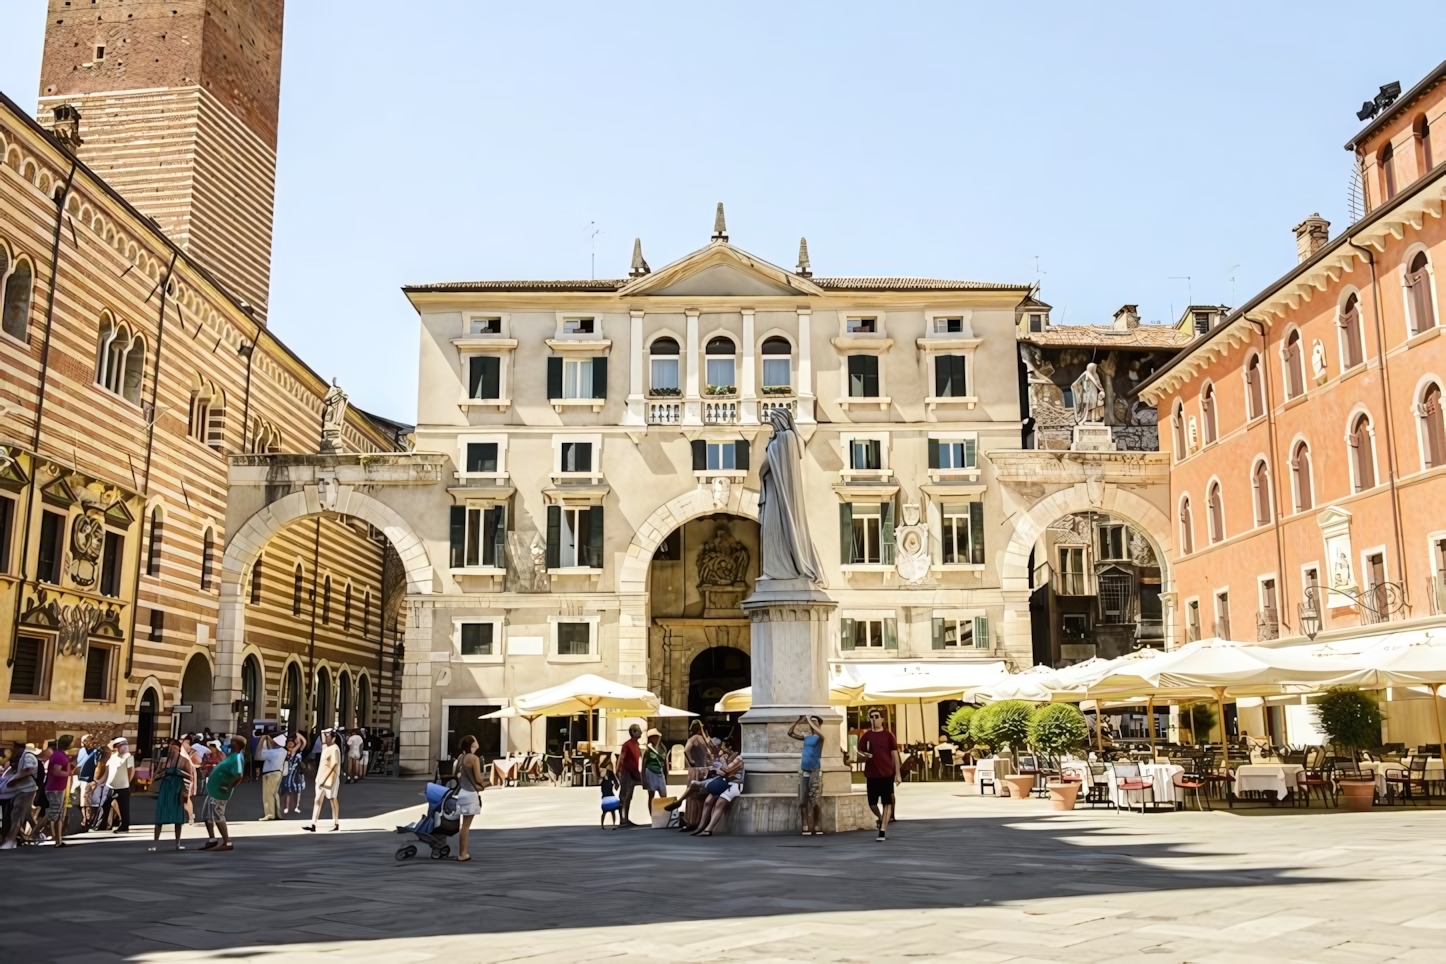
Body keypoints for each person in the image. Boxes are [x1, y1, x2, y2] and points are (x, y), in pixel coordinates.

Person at [856, 708, 901, 842]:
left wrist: (897, 773)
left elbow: (895, 755)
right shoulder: (866, 736)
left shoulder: (888, 736)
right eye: (871, 717)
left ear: (882, 719)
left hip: (886, 773)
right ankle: (881, 818)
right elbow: (859, 754)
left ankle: (882, 830)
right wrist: (863, 756)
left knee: (887, 802)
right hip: (872, 773)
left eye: (876, 716)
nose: (874, 719)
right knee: (872, 803)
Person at [199, 736, 247, 851]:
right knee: (206, 815)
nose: (229, 745)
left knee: (218, 815)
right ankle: (212, 839)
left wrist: (228, 785)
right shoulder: (233, 756)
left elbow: (239, 774)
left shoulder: (237, 757)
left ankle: (227, 842)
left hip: (220, 791)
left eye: (232, 743)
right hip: (213, 789)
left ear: (236, 744)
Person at [149, 738, 194, 852]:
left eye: (174, 747)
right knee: (160, 815)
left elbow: (189, 777)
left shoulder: (184, 760)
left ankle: (178, 843)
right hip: (165, 788)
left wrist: (185, 792)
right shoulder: (165, 760)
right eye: (170, 747)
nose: (172, 749)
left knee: (178, 817)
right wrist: (161, 771)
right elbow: (156, 775)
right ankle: (155, 843)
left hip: (177, 788)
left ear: (179, 748)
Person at [691, 743, 745, 837]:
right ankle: (701, 827)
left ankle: (708, 829)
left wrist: (718, 767)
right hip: (725, 782)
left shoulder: (740, 758)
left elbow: (727, 770)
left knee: (720, 803)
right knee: (708, 801)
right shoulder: (728, 757)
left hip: (734, 784)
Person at [788, 715, 825, 836]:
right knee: (803, 799)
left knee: (814, 799)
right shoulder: (807, 737)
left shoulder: (820, 737)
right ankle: (805, 825)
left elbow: (821, 734)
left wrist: (809, 719)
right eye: (811, 723)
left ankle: (817, 825)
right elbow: (790, 733)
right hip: (804, 769)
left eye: (815, 723)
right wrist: (798, 721)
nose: (812, 725)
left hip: (815, 769)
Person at [0, 739, 39, 850]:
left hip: (26, 789)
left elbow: (30, 770)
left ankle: (10, 841)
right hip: (19, 789)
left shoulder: (27, 756)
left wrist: (15, 779)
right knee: (23, 815)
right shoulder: (19, 756)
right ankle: (38, 835)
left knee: (16, 815)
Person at [454, 735, 485, 861]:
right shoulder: (474, 758)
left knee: (463, 826)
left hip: (461, 792)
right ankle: (463, 854)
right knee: (466, 826)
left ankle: (462, 852)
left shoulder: (461, 758)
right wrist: (485, 783)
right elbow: (478, 778)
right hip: (470, 794)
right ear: (472, 745)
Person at [303, 729, 341, 832]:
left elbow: (334, 764)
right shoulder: (326, 747)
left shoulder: (334, 748)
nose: (326, 738)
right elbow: (323, 738)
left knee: (332, 799)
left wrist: (325, 778)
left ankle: (336, 822)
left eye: (328, 736)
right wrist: (325, 731)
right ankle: (313, 823)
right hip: (321, 777)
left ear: (333, 738)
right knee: (317, 800)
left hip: (330, 777)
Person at [43, 737, 73, 847]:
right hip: (55, 788)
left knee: (57, 814)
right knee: (55, 814)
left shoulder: (57, 754)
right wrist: (69, 773)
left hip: (56, 787)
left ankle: (58, 839)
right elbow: (56, 771)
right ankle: (56, 840)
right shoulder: (60, 756)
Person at [103, 737, 135, 833]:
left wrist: (127, 782)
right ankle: (105, 824)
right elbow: (108, 770)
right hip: (111, 785)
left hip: (123, 786)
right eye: (119, 746)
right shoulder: (113, 756)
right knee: (106, 804)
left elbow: (131, 771)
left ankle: (124, 825)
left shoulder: (129, 757)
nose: (123, 748)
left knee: (123, 807)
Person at [616, 724, 643, 828]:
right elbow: (621, 758)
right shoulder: (627, 744)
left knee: (629, 796)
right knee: (624, 796)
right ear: (633, 732)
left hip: (634, 772)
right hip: (626, 772)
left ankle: (625, 818)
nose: (641, 732)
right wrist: (618, 772)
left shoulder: (636, 744)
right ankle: (622, 819)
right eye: (638, 731)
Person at [256, 734, 287, 820]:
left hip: (270, 773)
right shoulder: (282, 751)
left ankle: (270, 814)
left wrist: (262, 740)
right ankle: (277, 813)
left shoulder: (274, 752)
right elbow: (270, 750)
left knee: (268, 794)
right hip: (278, 773)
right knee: (275, 794)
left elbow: (258, 754)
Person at [72, 735, 98, 832]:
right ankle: (85, 820)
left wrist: (95, 780)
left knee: (86, 801)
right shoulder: (83, 751)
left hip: (88, 778)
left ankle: (86, 821)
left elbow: (96, 765)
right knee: (83, 801)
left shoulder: (94, 752)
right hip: (81, 777)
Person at [279, 734, 307, 816]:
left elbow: (304, 743)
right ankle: (287, 806)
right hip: (288, 774)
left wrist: (298, 736)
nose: (291, 745)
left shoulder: (298, 752)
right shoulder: (287, 752)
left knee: (298, 791)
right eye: (289, 743)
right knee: (288, 791)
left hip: (297, 774)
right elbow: (299, 744)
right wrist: (297, 735)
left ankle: (296, 806)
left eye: (292, 743)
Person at [641, 730, 668, 811]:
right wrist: (643, 779)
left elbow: (665, 761)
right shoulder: (648, 750)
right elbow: (643, 764)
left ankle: (664, 813)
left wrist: (666, 774)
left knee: (663, 795)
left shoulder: (662, 748)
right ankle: (652, 814)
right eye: (654, 737)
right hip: (650, 773)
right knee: (651, 795)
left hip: (660, 772)